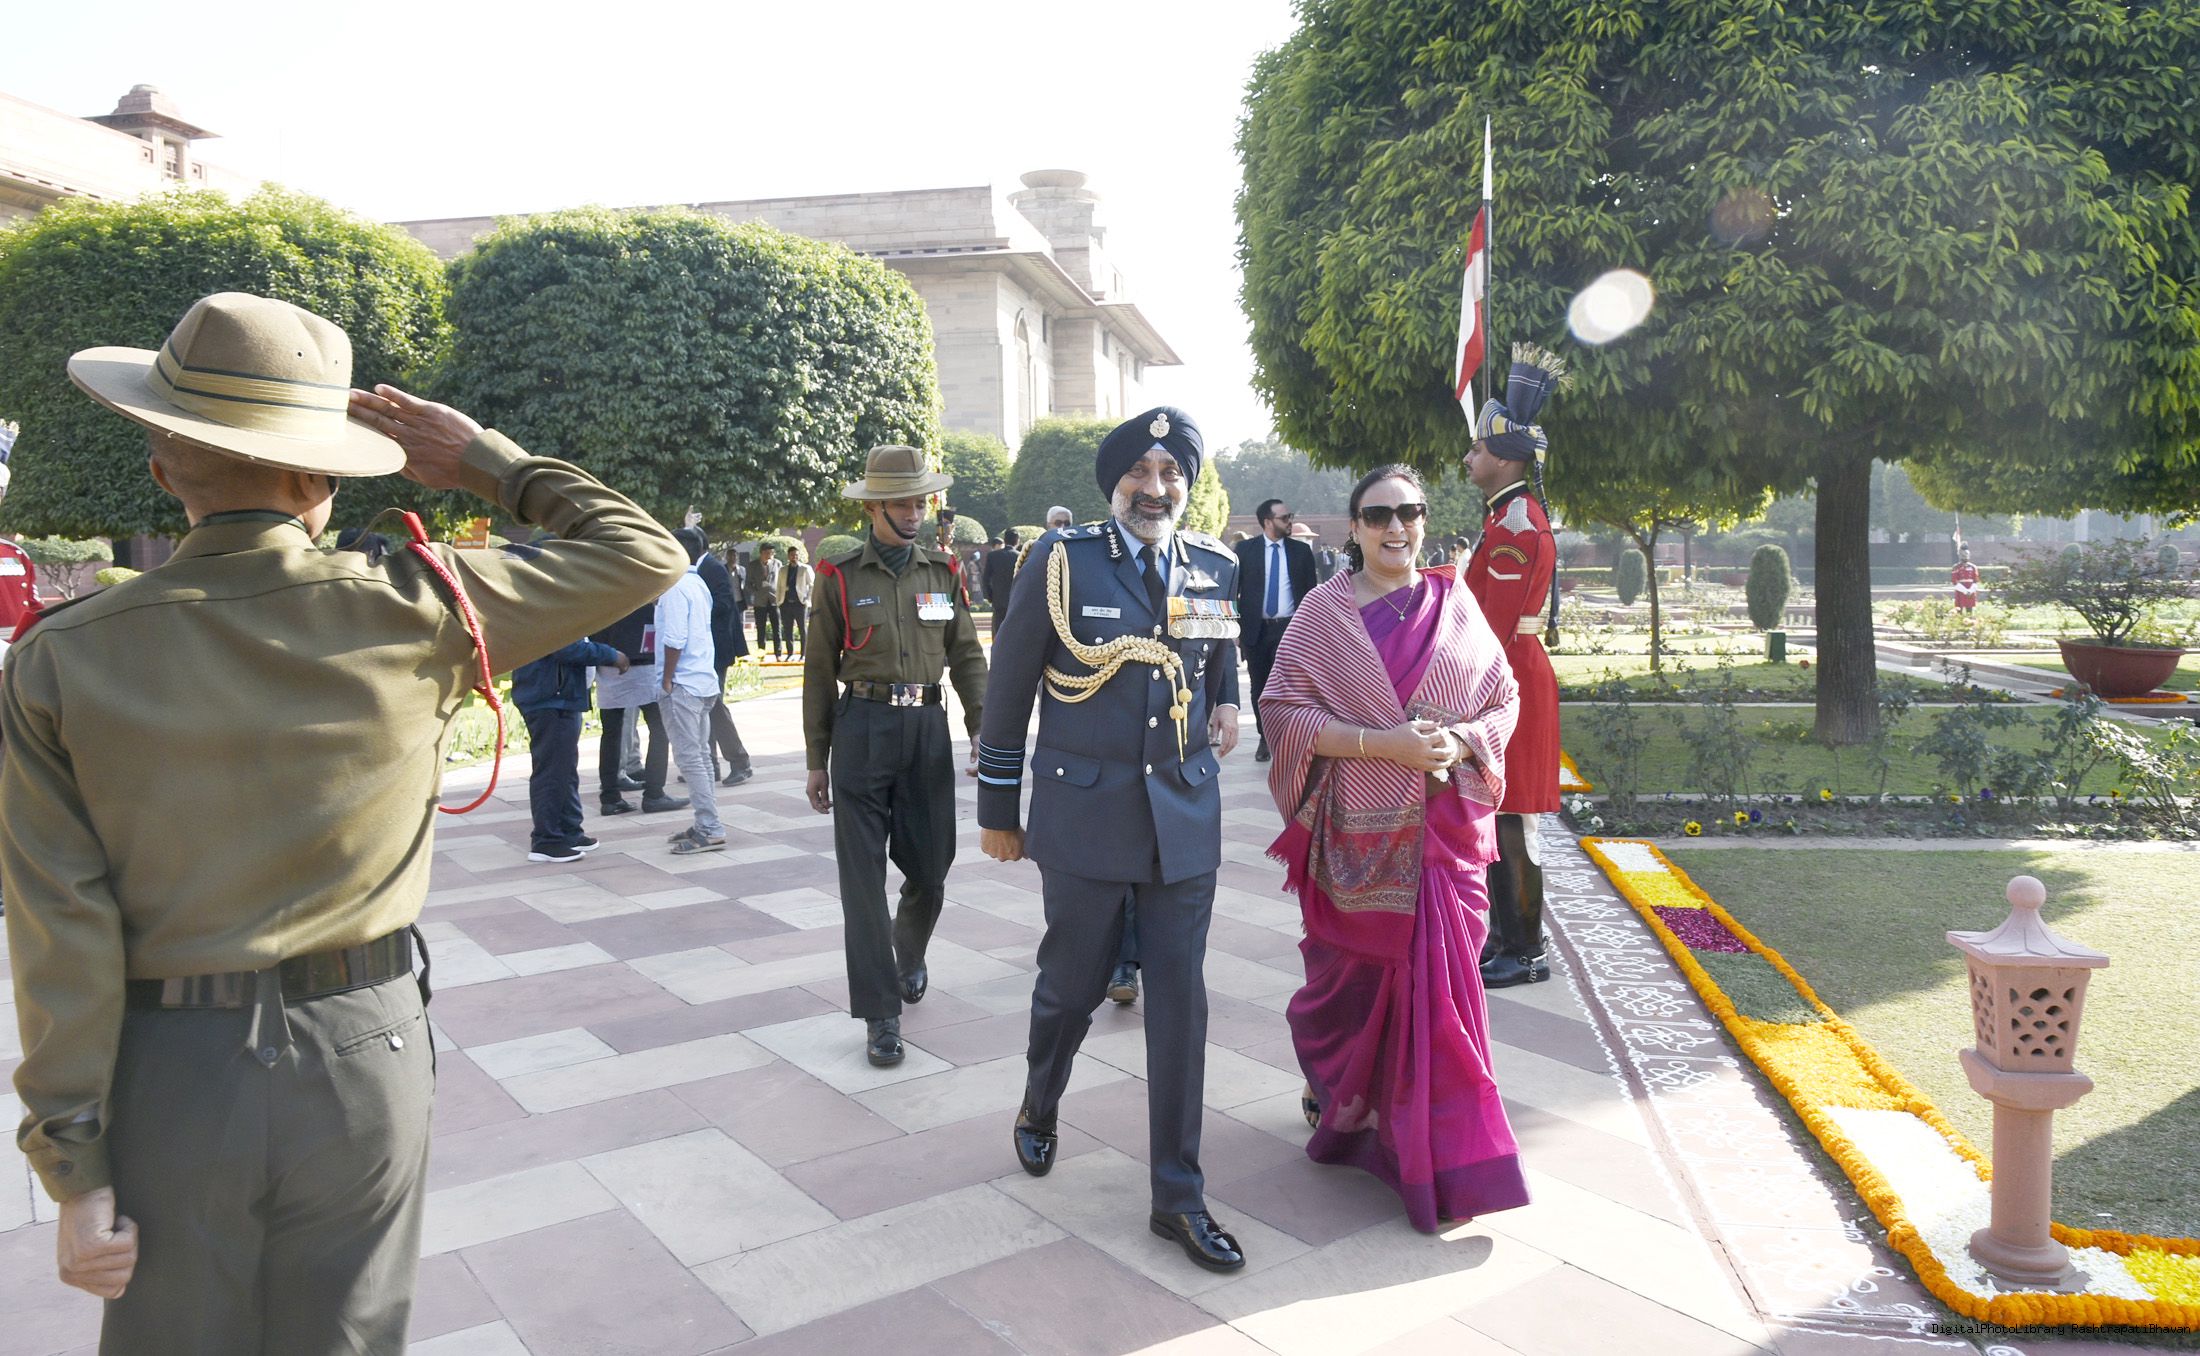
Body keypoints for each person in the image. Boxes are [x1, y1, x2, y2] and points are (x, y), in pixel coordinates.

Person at [2, 291, 685, 1352]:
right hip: (365, 1045)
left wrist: (74, 1161)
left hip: (169, 1066)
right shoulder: (421, 605)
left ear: (162, 467)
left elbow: (60, 928)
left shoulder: (62, 656)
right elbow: (642, 552)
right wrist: (484, 462)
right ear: (322, 477)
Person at [977, 406, 1249, 1273]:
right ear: (1114, 482)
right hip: (1086, 813)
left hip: (1183, 815)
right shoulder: (1062, 562)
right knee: (1072, 987)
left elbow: (1215, 652)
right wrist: (997, 809)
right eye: (1141, 472)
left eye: (1172, 475)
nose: (1156, 488)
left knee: (1181, 1003)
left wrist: (1227, 698)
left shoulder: (1212, 565)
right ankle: (1040, 1098)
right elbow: (1009, 687)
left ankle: (1178, 1196)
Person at [1260, 463, 1528, 1232]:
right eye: (1378, 515)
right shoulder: (1324, 614)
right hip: (1360, 840)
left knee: (1443, 1002)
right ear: (1354, 528)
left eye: (1408, 512)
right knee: (1345, 995)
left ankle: (1445, 1155)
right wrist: (1384, 745)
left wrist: (1459, 742)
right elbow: (1281, 710)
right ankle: (1343, 1094)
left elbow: (1503, 698)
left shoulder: (1457, 603)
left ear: (1423, 520)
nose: (1395, 527)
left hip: (1445, 839)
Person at [805, 446, 987, 1066]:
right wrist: (816, 757)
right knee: (862, 884)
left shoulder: (942, 572)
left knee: (932, 869)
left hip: (927, 730)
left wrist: (982, 728)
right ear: (874, 507)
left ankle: (907, 951)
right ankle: (880, 1014)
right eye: (903, 504)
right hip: (862, 730)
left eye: (921, 502)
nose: (915, 514)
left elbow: (966, 656)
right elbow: (818, 670)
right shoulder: (840, 576)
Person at [1462, 344, 1570, 989]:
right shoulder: (1506, 515)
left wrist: (1467, 692)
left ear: (1504, 459)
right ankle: (1506, 937)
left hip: (1511, 679)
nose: (1468, 458)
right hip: (1513, 674)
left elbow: (1493, 628)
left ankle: (1526, 949)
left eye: (1477, 449)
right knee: (1501, 812)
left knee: (1511, 815)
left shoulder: (1515, 525)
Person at [514, 622, 629, 863]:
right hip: (550, 695)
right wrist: (611, 655)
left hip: (559, 694)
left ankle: (569, 831)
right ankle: (547, 841)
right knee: (552, 771)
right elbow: (565, 647)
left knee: (564, 769)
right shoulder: (547, 607)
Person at [657, 530, 724, 854]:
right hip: (702, 680)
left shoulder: (675, 587)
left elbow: (674, 639)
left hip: (683, 683)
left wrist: (667, 679)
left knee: (690, 759)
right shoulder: (698, 583)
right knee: (701, 757)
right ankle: (705, 821)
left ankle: (710, 827)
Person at [1235, 497, 1316, 763]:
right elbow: (1234, 591)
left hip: (1291, 629)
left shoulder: (1301, 552)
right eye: (1284, 518)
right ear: (1267, 522)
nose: (1290, 521)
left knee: (1292, 687)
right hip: (1256, 630)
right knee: (1259, 686)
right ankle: (1265, 737)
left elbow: (1312, 593)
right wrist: (1235, 629)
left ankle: (1291, 738)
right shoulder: (1245, 550)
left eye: (1290, 516)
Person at [592, 600, 685, 816]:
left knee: (612, 733)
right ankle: (654, 793)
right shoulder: (642, 583)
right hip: (642, 658)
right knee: (660, 728)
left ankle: (610, 797)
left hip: (609, 657)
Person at [694, 538, 755, 787]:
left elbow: (724, 604)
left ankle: (740, 761)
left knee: (714, 704)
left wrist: (694, 609)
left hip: (717, 650)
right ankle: (710, 764)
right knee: (706, 705)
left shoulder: (713, 568)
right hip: (704, 650)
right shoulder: (699, 568)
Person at [751, 541, 786, 658]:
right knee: (761, 629)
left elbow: (782, 581)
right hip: (760, 601)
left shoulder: (778, 564)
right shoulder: (753, 565)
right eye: (767, 553)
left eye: (771, 553)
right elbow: (747, 584)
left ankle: (778, 654)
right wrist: (756, 591)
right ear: (761, 553)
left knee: (777, 628)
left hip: (774, 600)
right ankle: (761, 654)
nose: (769, 555)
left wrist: (780, 595)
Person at [983, 527, 1021, 621]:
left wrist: (990, 596)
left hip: (998, 599)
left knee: (998, 627)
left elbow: (986, 578)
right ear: (1017, 541)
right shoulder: (1020, 556)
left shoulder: (993, 556)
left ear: (1004, 540)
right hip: (1016, 600)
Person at [782, 543, 812, 657]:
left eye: (796, 555)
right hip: (786, 603)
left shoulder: (805, 568)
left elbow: (812, 585)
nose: (794, 557)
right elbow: (779, 586)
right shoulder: (783, 570)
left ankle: (803, 654)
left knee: (802, 629)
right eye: (792, 555)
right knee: (787, 630)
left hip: (800, 603)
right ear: (788, 556)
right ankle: (790, 653)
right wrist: (780, 601)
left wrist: (807, 599)